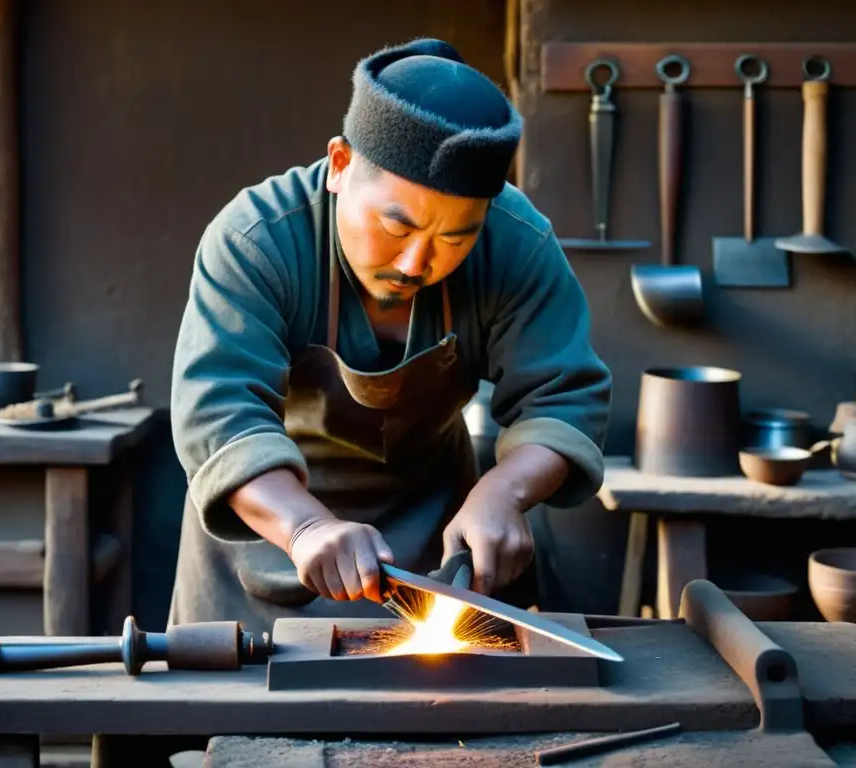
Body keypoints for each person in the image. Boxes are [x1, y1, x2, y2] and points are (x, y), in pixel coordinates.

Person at [167, 38, 612, 633]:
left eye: (456, 239)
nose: (416, 263)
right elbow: (219, 416)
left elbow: (564, 400)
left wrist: (505, 491)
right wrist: (305, 528)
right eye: (396, 224)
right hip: (265, 542)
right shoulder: (257, 240)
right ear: (340, 165)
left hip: (436, 556)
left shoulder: (516, 243)